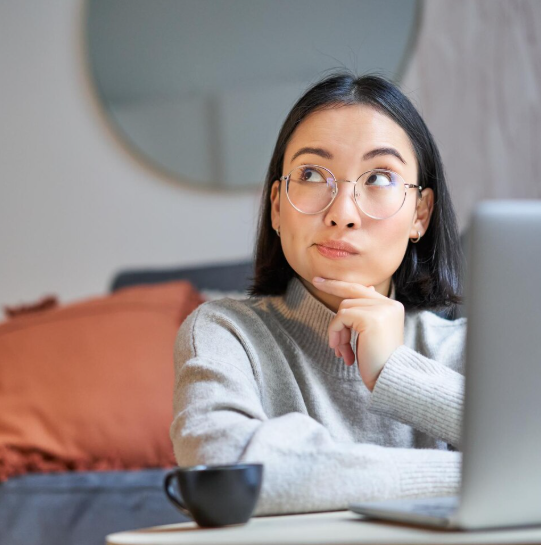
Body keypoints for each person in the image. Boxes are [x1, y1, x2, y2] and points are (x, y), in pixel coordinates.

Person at [170, 71, 467, 516]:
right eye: (311, 173)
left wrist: (396, 371)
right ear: (276, 205)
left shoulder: (462, 347)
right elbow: (225, 470)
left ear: (420, 215)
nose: (342, 213)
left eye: (380, 177)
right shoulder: (224, 332)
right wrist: (474, 474)